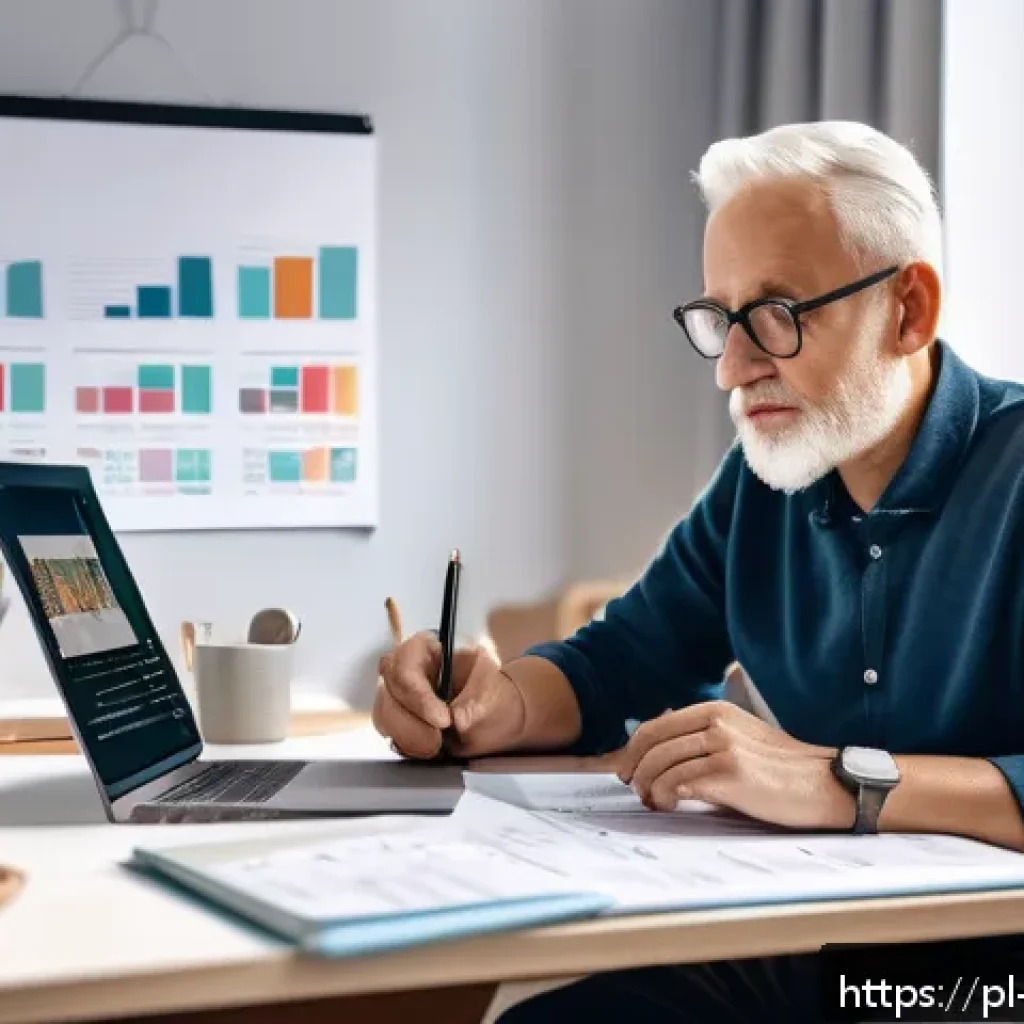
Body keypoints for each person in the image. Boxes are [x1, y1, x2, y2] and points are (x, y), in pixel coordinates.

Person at [372, 120, 1024, 1021]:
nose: (733, 368)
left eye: (779, 315)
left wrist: (834, 779)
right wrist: (490, 706)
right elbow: (619, 661)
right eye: (722, 319)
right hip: (819, 943)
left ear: (908, 310)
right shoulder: (771, 480)